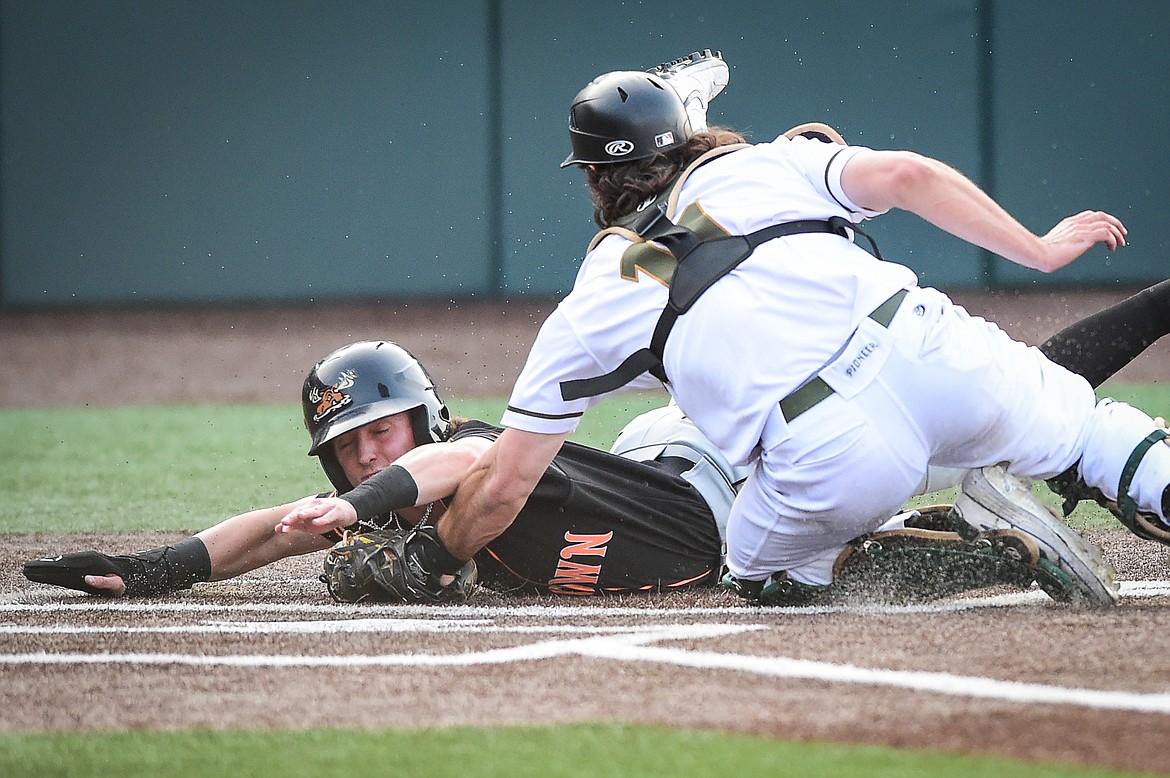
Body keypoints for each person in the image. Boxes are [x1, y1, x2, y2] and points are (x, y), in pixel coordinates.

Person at [415, 50, 1170, 608]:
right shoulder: (771, 163)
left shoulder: (598, 296)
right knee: (1095, 435)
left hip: (826, 448)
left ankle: (964, 546)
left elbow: (505, 484)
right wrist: (1038, 250)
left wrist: (435, 557)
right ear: (682, 138)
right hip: (928, 345)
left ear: (591, 179)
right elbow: (910, 177)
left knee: (763, 573)